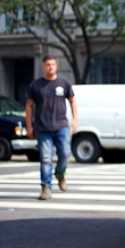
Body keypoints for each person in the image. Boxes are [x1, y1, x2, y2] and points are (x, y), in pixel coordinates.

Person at [25, 56, 77, 201]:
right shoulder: (36, 85)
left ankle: (60, 173)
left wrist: (74, 121)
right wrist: (29, 126)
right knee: (46, 158)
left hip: (61, 126)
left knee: (66, 153)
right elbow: (29, 106)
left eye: (53, 64)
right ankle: (46, 188)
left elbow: (73, 102)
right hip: (42, 128)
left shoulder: (64, 83)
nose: (50, 67)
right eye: (48, 64)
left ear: (56, 66)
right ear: (43, 66)